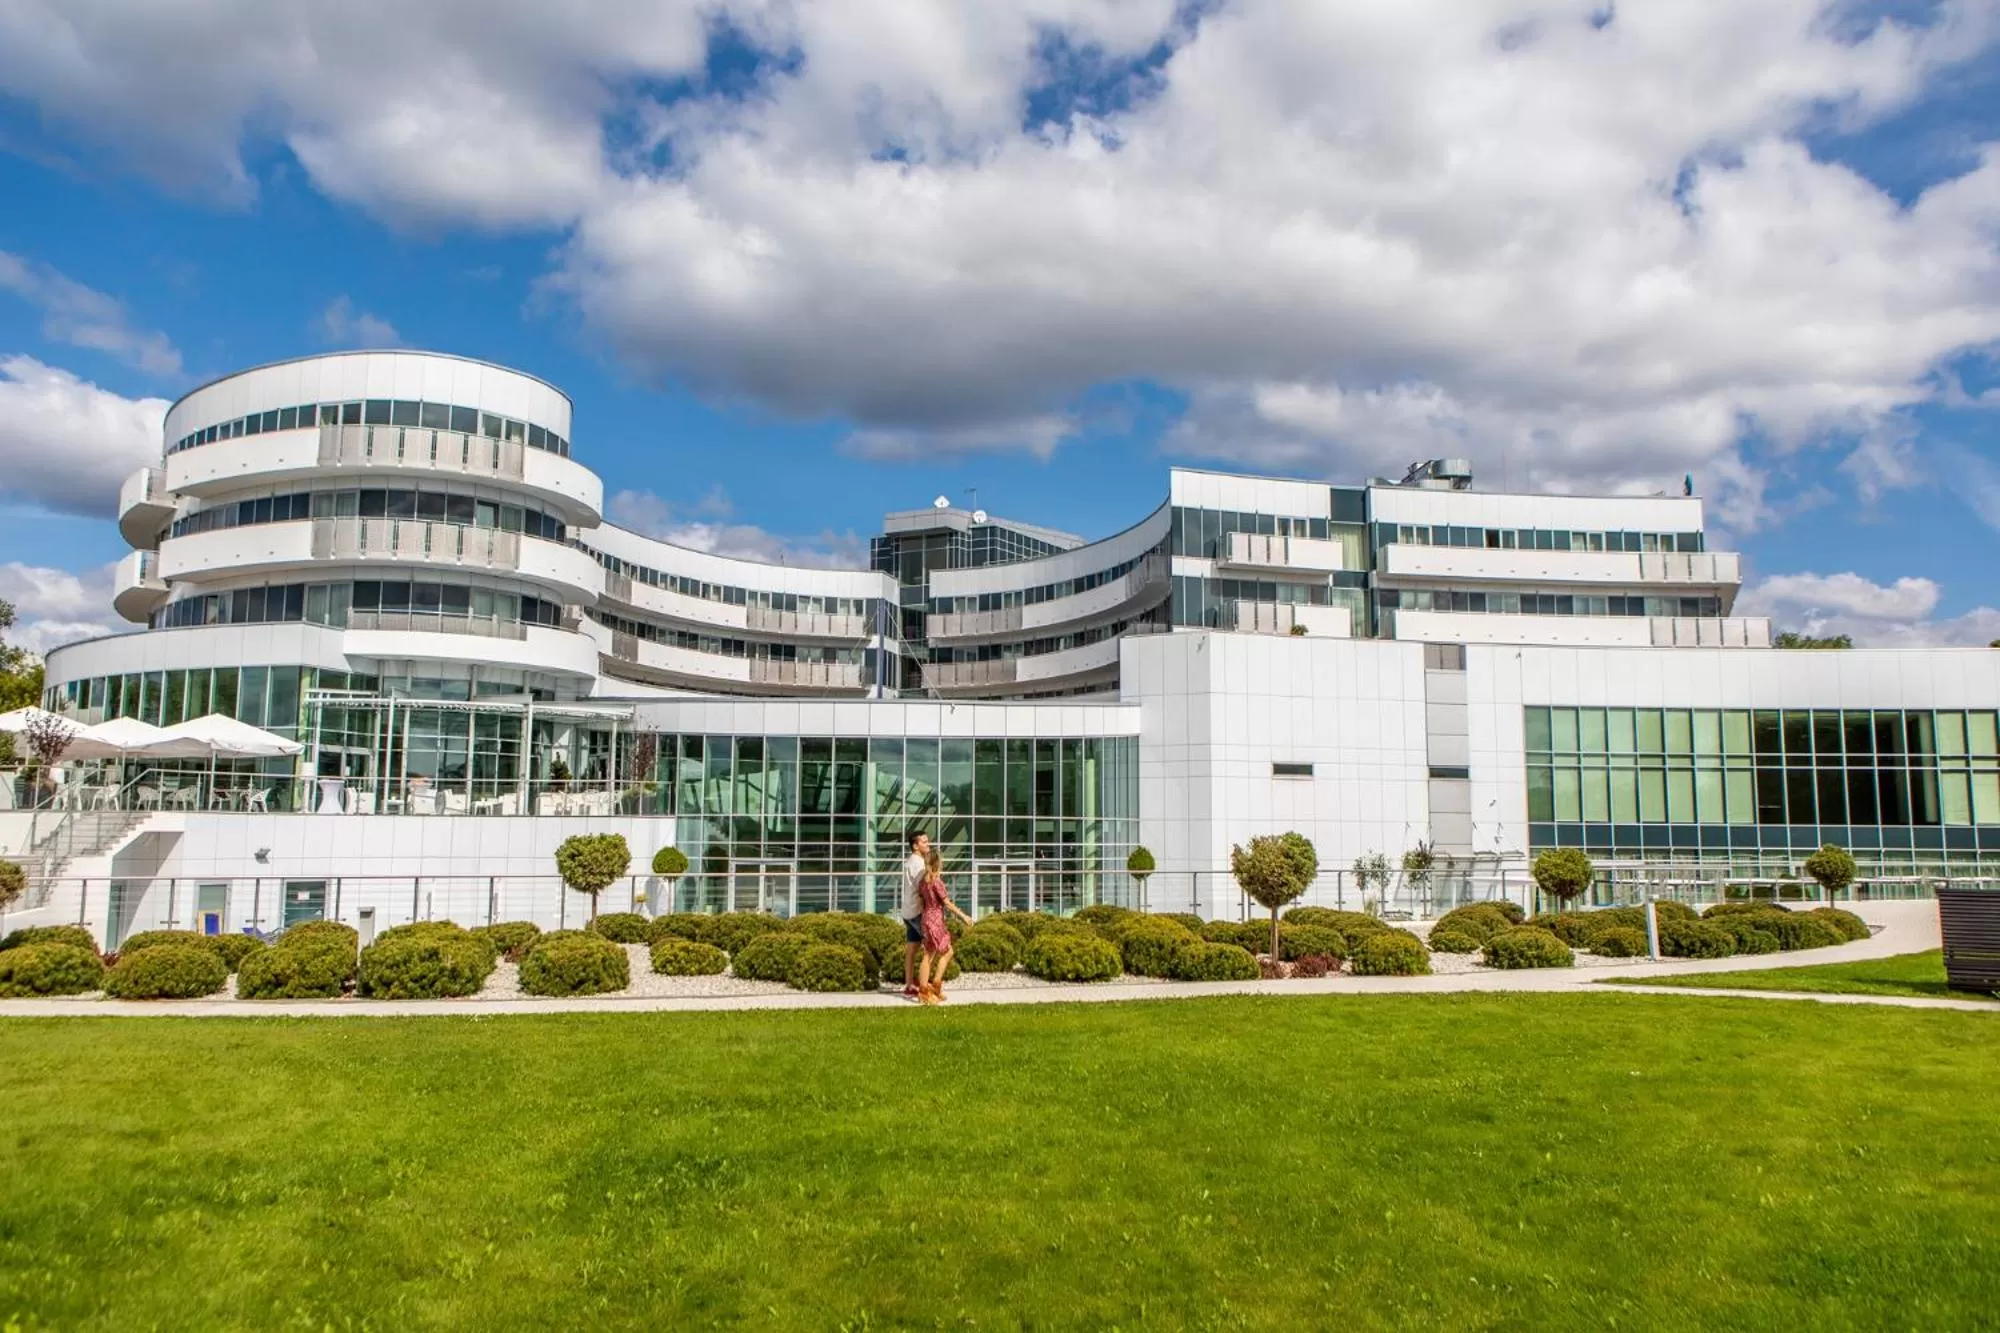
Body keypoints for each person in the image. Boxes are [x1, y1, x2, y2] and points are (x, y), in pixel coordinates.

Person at [916, 846, 973, 1005]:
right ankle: (928, 990)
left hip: (927, 919)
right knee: (940, 954)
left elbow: (923, 901)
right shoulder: (936, 882)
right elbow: (947, 903)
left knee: (933, 954)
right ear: (937, 863)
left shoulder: (923, 882)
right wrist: (964, 916)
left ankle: (930, 988)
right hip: (935, 921)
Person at [900, 830, 931, 998]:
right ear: (915, 846)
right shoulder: (918, 864)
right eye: (924, 842)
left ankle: (910, 984)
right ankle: (925, 988)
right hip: (917, 912)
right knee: (931, 947)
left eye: (928, 841)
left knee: (912, 949)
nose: (928, 844)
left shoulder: (909, 862)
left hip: (908, 911)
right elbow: (924, 888)